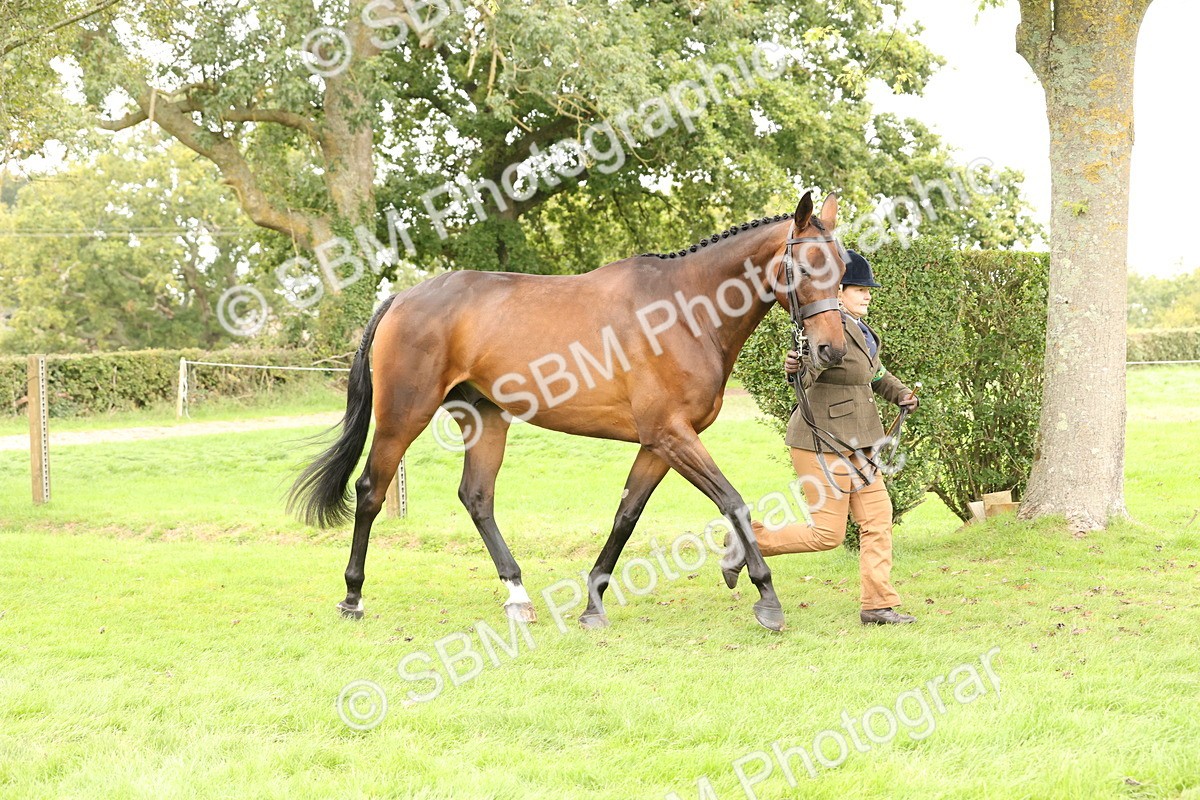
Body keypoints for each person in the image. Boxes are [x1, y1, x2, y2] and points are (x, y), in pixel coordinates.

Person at [752, 250, 919, 625]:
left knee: (878, 520)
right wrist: (797, 369)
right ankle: (749, 541)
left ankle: (877, 604)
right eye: (860, 289)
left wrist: (900, 393)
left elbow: (873, 374)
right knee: (827, 534)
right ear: (837, 291)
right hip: (822, 442)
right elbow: (806, 374)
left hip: (861, 443)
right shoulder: (824, 328)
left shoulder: (862, 329)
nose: (867, 296)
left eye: (869, 290)